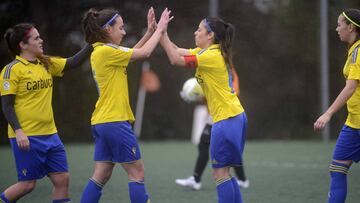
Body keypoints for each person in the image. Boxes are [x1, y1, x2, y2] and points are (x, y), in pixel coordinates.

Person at [79, 7, 172, 203]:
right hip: (114, 121)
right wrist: (160, 29)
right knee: (137, 172)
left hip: (103, 122)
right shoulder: (106, 50)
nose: (124, 32)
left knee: (101, 175)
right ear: (107, 30)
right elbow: (145, 53)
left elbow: (133, 53)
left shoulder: (104, 51)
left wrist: (149, 32)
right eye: (120, 28)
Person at [0, 23, 92, 203]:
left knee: (62, 180)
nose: (41, 40)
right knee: (27, 184)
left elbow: (73, 62)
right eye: (36, 38)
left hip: (51, 135)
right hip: (27, 137)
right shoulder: (11, 70)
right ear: (23, 45)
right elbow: (7, 106)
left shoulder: (46, 63)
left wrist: (92, 41)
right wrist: (19, 131)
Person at [161, 17, 247, 203]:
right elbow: (177, 50)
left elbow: (175, 59)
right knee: (224, 173)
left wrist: (159, 33)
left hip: (227, 119)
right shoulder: (207, 51)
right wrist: (162, 32)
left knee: (220, 174)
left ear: (210, 35)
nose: (195, 32)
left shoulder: (210, 56)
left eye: (199, 29)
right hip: (233, 117)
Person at [175, 67, 249, 191]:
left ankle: (241, 180)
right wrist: (197, 93)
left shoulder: (228, 69)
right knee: (205, 144)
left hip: (226, 115)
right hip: (215, 116)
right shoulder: (210, 65)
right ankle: (196, 179)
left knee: (229, 149)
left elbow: (233, 92)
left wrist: (204, 92)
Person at [314, 8, 360, 203]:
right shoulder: (354, 50)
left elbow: (351, 87)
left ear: (351, 27)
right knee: (337, 169)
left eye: (340, 24)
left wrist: (328, 114)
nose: (337, 28)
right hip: (353, 124)